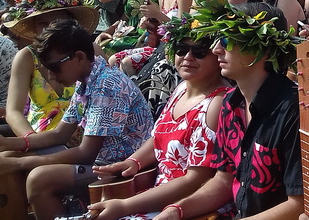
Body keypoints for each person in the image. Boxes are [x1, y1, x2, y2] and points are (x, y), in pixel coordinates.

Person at [154, 0, 309, 220]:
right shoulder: (230, 103)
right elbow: (224, 180)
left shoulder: (296, 111)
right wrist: (176, 210)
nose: (216, 49)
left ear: (264, 51)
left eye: (227, 40)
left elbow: (302, 205)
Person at [0, 19, 152, 220]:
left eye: (54, 67)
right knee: (7, 156)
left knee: (39, 179)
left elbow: (86, 153)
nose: (51, 76)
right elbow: (59, 134)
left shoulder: (107, 85)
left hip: (123, 169)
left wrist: (22, 164)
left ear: (79, 57)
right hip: (102, 162)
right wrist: (7, 143)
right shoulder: (87, 79)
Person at [86, 15, 229, 220]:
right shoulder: (180, 88)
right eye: (181, 49)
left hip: (190, 206)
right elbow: (160, 135)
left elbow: (196, 179)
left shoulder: (217, 103)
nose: (188, 57)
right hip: (158, 195)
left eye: (199, 52)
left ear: (217, 56)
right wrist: (134, 162)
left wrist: (125, 206)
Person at [2, 0, 99, 137]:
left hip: (88, 134)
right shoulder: (26, 57)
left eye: (57, 22)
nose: (49, 28)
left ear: (71, 23)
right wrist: (31, 140)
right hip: (40, 135)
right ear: (34, 28)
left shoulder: (89, 51)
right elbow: (13, 111)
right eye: (42, 23)